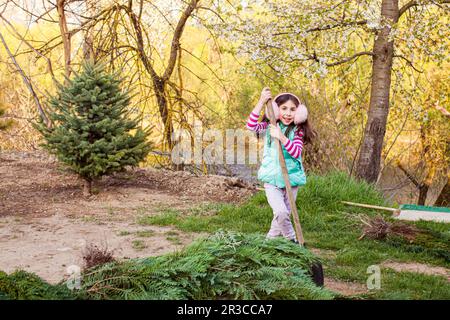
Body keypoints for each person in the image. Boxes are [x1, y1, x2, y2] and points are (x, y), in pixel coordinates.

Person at [246, 87, 316, 241]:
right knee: (281, 213)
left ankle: (267, 245)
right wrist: (261, 101)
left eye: (292, 110)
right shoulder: (269, 126)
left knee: (279, 221)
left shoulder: (298, 130)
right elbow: (251, 126)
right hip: (272, 181)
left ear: (299, 113)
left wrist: (281, 137)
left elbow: (296, 151)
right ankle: (293, 241)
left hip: (291, 182)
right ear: (276, 110)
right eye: (284, 108)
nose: (288, 113)